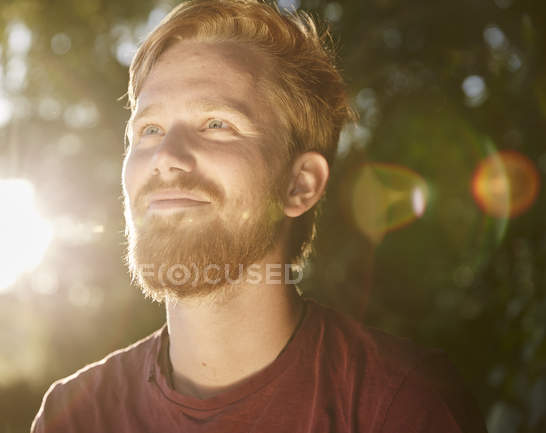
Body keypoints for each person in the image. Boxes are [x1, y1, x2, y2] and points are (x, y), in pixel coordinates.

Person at [31, 1, 489, 432]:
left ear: (300, 184)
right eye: (149, 129)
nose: (165, 157)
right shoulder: (75, 414)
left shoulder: (398, 405)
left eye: (216, 124)